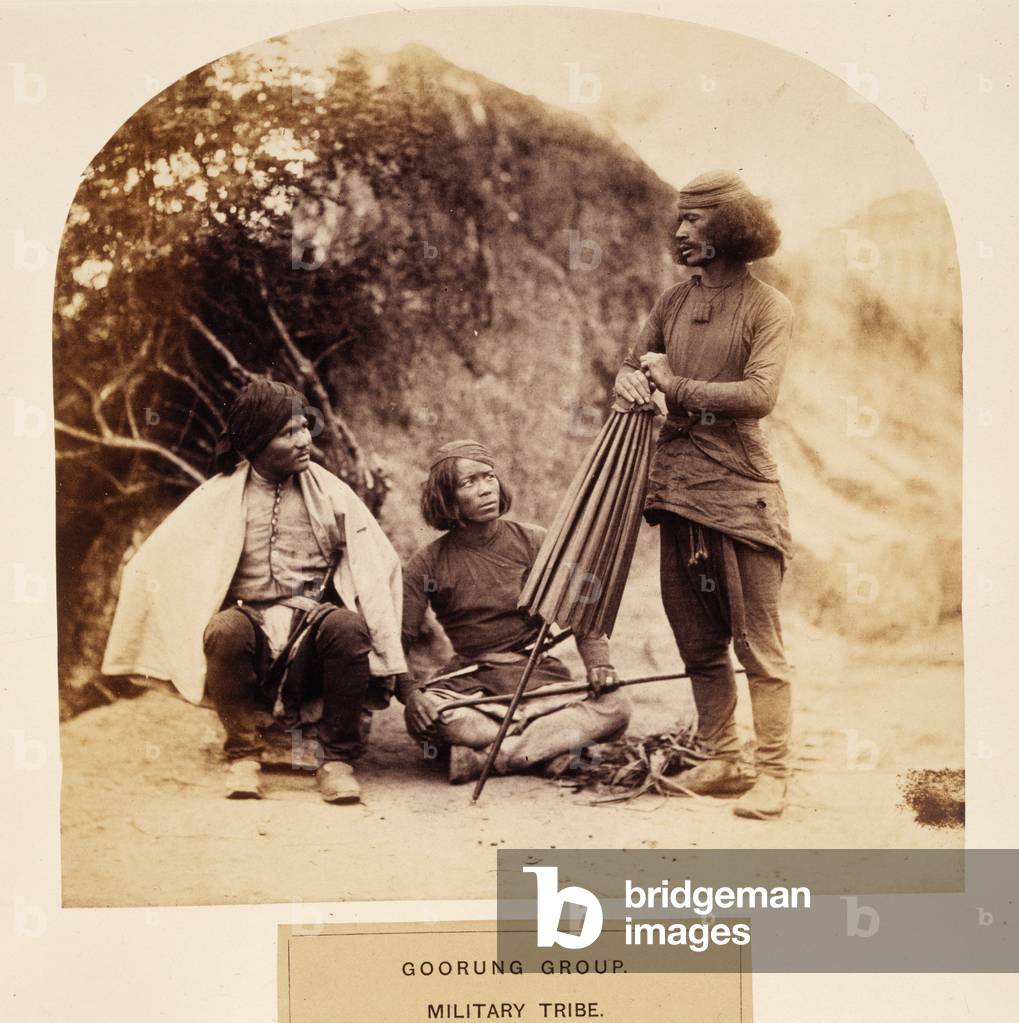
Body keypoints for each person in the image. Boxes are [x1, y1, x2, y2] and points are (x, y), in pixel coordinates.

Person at [102, 378, 406, 803]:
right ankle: (244, 754)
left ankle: (336, 759)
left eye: (304, 428)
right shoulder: (221, 495)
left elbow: (376, 562)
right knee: (223, 631)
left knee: (350, 629)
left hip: (313, 627)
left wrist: (391, 655)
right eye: (288, 433)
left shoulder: (330, 492)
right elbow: (155, 562)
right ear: (256, 443)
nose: (305, 441)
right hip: (253, 623)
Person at [614, 170, 794, 820]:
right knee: (694, 637)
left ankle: (773, 772)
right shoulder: (670, 302)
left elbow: (758, 395)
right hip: (677, 487)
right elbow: (637, 365)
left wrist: (676, 385)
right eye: (679, 218)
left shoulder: (769, 307)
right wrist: (629, 383)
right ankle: (723, 753)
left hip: (742, 493)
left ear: (729, 225)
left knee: (758, 644)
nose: (681, 230)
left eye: (694, 219)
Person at [399, 440, 631, 784]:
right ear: (446, 498)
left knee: (616, 707)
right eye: (469, 483)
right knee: (438, 721)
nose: (485, 489)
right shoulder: (426, 563)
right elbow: (396, 639)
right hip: (473, 683)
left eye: (489, 476)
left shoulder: (535, 542)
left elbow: (584, 612)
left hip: (539, 677)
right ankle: (549, 749)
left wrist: (599, 665)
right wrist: (411, 695)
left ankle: (490, 759)